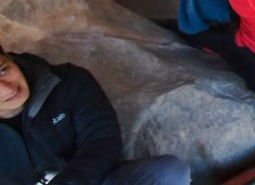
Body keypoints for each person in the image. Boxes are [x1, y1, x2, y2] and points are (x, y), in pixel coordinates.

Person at [0, 44, 191, 185]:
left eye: (3, 70)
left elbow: (102, 140)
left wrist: (72, 182)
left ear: (9, 57)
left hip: (89, 180)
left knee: (168, 172)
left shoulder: (67, 82)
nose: (7, 88)